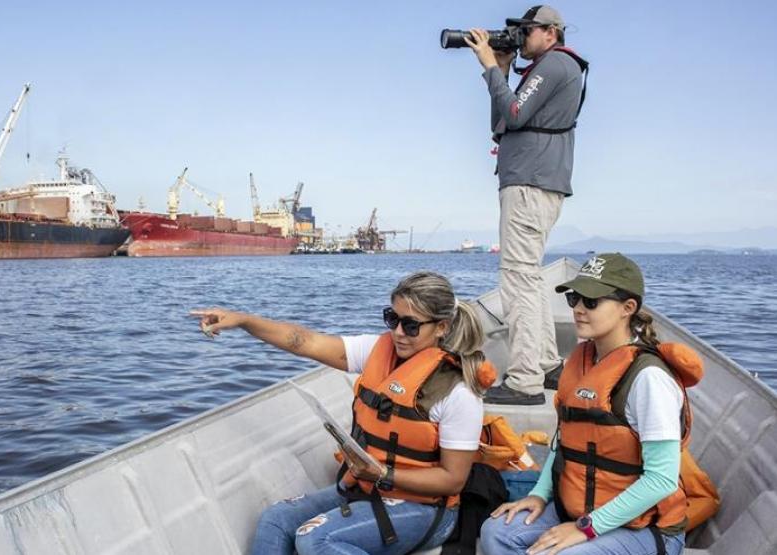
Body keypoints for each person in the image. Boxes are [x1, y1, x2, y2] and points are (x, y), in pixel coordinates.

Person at [191, 271, 494, 555]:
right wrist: (243, 320)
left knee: (314, 539)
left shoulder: (458, 392)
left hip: (427, 510)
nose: (398, 333)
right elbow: (304, 342)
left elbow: (453, 480)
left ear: (441, 327)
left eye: (411, 325)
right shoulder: (377, 350)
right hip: (366, 487)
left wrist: (383, 474)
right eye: (392, 319)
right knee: (276, 519)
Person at [480, 253, 694, 555]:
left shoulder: (648, 379)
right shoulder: (580, 362)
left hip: (645, 528)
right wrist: (540, 494)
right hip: (577, 510)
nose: (578, 309)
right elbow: (563, 443)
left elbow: (661, 480)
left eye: (591, 301)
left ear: (628, 308)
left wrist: (586, 528)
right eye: (574, 299)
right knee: (496, 532)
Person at [465, 5, 589, 405]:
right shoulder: (549, 67)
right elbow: (501, 120)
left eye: (526, 31)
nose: (520, 38)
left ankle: (524, 381)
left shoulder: (554, 64)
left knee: (517, 280)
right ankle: (548, 365)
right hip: (535, 183)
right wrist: (500, 72)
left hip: (529, 185)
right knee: (530, 279)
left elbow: (515, 114)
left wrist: (488, 65)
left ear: (550, 33)